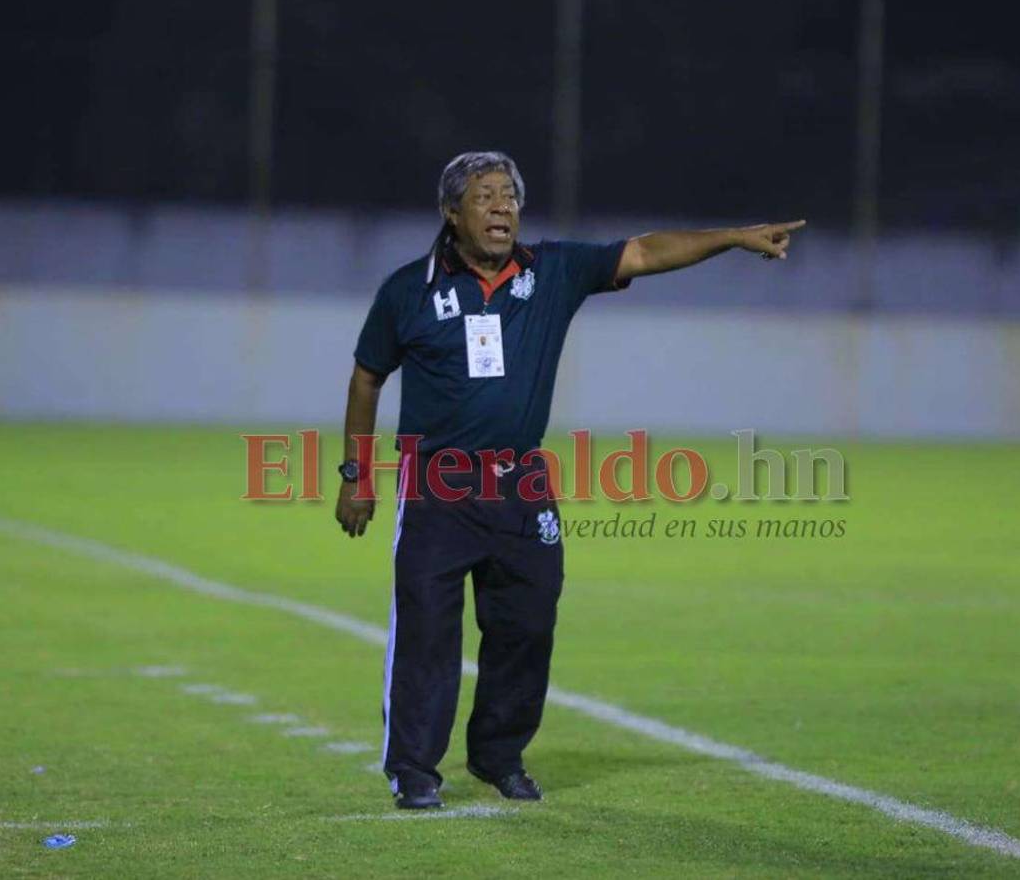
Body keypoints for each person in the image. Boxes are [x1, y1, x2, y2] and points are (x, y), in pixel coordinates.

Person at [335, 151, 804, 809]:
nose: (502, 207)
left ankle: (499, 756)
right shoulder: (407, 291)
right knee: (427, 635)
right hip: (439, 486)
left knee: (527, 626)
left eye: (510, 196)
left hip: (522, 484)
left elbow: (644, 252)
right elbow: (367, 377)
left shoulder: (551, 271)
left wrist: (731, 237)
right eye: (485, 196)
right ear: (451, 212)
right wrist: (356, 475)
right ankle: (414, 771)